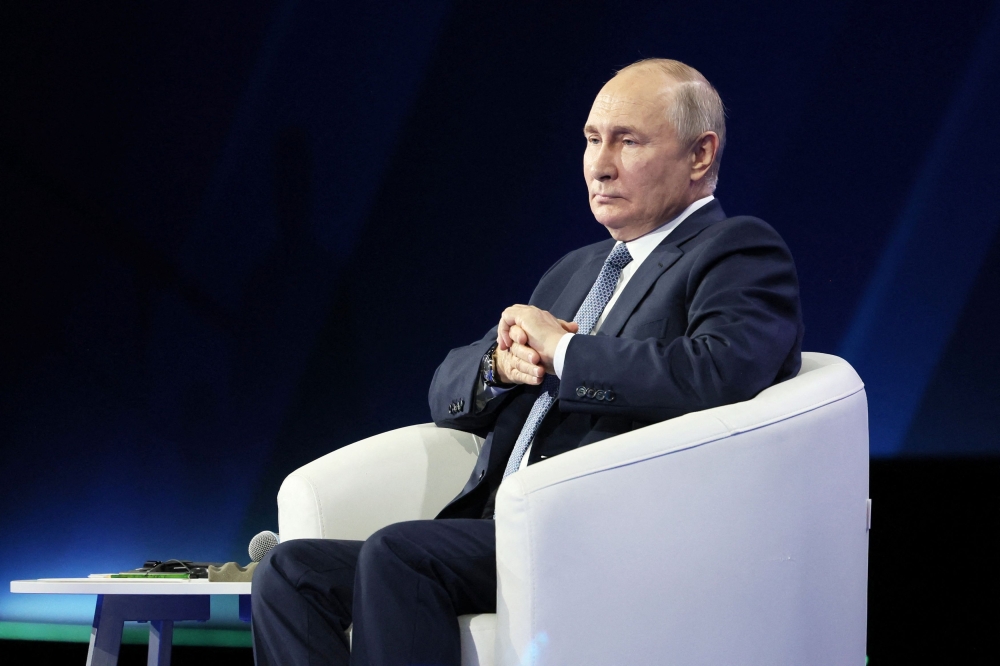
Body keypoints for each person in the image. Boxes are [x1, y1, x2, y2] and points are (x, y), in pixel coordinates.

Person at [251, 58, 803, 666]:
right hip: (503, 527)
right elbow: (445, 392)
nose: (600, 165)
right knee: (290, 572)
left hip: (604, 532)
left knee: (397, 554)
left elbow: (719, 372)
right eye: (592, 139)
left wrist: (563, 352)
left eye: (628, 142)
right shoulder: (577, 270)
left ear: (700, 155)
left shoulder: (738, 249)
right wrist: (498, 366)